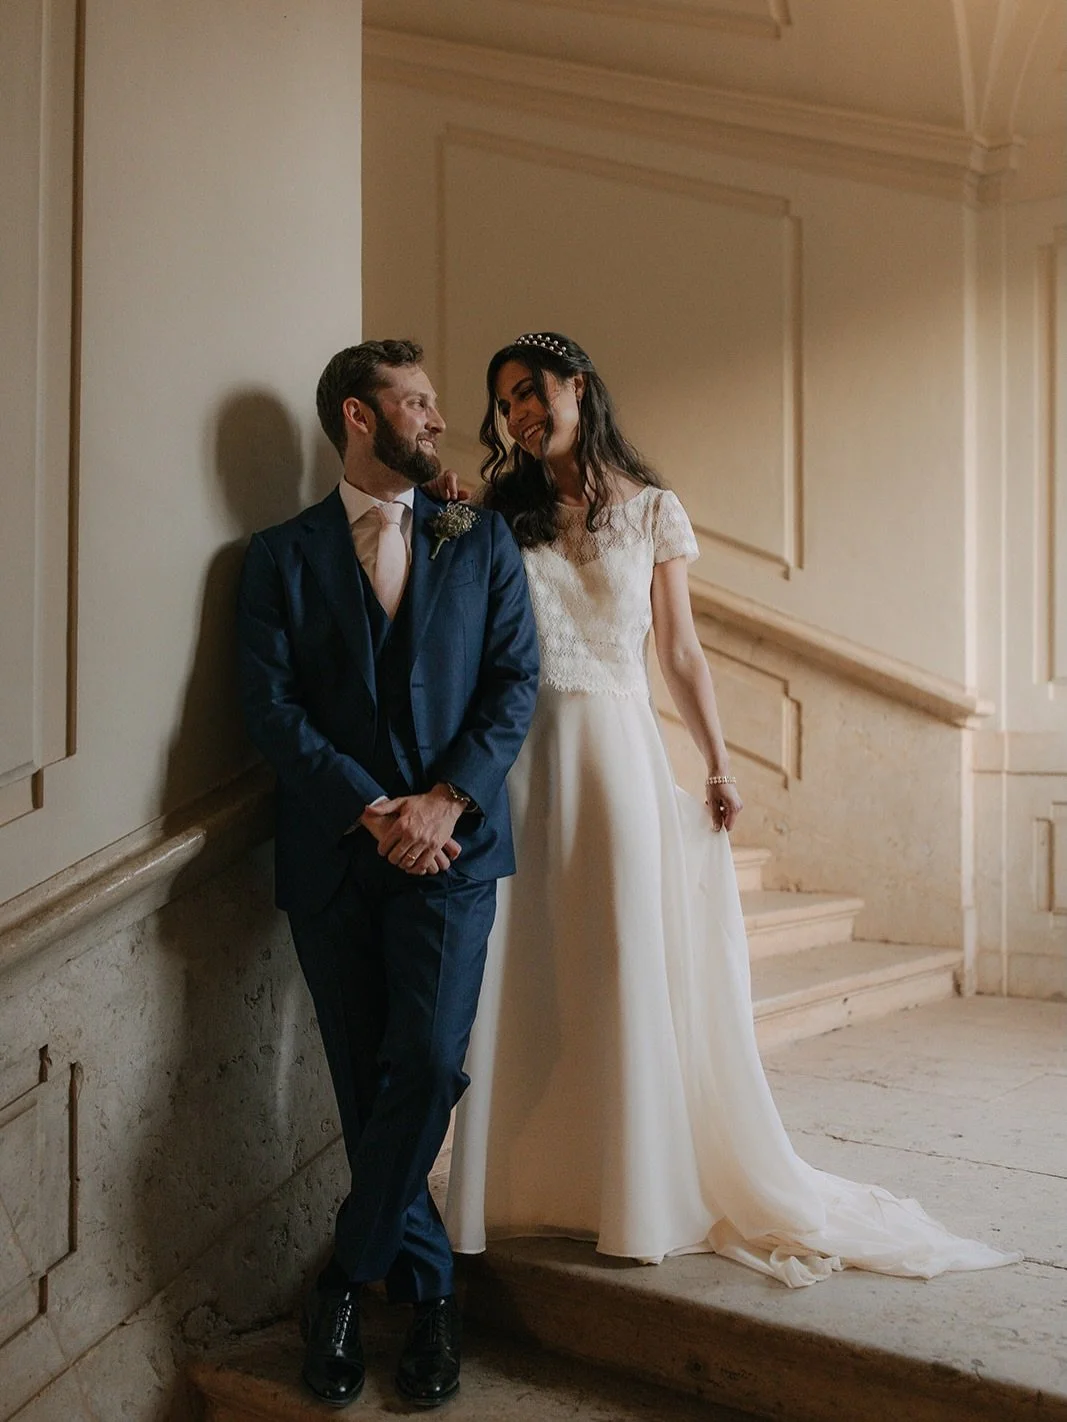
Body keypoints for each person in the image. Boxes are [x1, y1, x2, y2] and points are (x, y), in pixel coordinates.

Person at [442, 331, 1019, 1286]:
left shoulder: (657, 510)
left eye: (530, 391)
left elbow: (678, 651)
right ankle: (519, 1186)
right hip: (523, 758)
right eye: (505, 402)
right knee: (530, 959)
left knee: (621, 952)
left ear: (577, 386)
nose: (518, 413)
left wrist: (717, 762)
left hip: (618, 750)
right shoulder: (500, 511)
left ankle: (631, 1191)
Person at [236, 339, 539, 1407]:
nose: (438, 419)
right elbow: (270, 711)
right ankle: (430, 1292)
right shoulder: (278, 557)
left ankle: (347, 1281)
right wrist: (372, 811)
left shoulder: (478, 535)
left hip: (452, 851)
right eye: (414, 402)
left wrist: (441, 799)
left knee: (424, 1058)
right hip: (336, 860)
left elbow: (514, 684)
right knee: (368, 1081)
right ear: (358, 419)